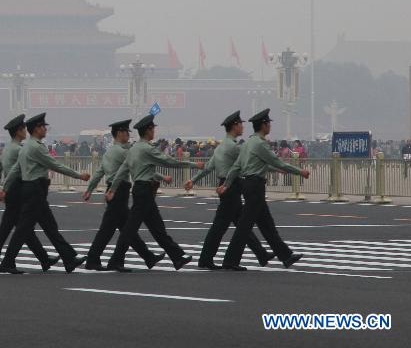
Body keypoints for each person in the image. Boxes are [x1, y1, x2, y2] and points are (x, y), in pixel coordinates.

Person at [106, 114, 204, 271]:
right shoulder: (147, 149)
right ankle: (115, 260)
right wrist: (193, 164)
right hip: (144, 191)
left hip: (140, 189)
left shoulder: (134, 149)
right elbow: (169, 161)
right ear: (149, 131)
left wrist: (112, 189)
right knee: (131, 229)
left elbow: (123, 170)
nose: (154, 132)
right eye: (153, 129)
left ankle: (177, 257)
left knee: (156, 228)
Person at [0, 113, 91, 274]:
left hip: (33, 189)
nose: (45, 129)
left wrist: (5, 188)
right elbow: (55, 165)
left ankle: (68, 258)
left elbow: (15, 170)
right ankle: (7, 261)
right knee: (24, 229)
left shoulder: (26, 147)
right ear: (36, 129)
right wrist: (79, 175)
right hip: (35, 190)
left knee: (49, 226)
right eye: (43, 126)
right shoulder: (36, 147)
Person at [218, 109, 310, 271]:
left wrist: (226, 184)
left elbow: (236, 167)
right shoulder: (260, 144)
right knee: (244, 226)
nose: (270, 126)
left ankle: (285, 256)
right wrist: (300, 171)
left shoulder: (247, 143)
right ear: (264, 125)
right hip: (255, 187)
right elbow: (278, 162)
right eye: (268, 124)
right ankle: (230, 260)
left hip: (250, 186)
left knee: (267, 225)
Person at [184, 111, 272, 270]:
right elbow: (252, 161)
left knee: (241, 225)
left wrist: (193, 180)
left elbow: (209, 167)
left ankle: (261, 253)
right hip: (231, 187)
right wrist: (278, 168)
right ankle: (207, 259)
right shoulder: (234, 147)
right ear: (234, 126)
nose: (243, 127)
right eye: (240, 124)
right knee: (221, 227)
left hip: (226, 185)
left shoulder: (221, 146)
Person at [0, 114, 58, 273]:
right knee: (16, 229)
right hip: (19, 191)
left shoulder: (7, 149)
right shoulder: (20, 150)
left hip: (12, 192)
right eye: (24, 129)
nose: (26, 132)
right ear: (18, 132)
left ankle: (43, 258)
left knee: (22, 229)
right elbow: (17, 170)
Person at [83, 119, 164, 272]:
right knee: (108, 230)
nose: (128, 134)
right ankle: (93, 259)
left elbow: (100, 172)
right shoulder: (122, 152)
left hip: (114, 190)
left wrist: (90, 189)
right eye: (126, 132)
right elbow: (139, 165)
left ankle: (148, 257)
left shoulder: (109, 152)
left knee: (128, 230)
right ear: (119, 133)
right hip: (118, 192)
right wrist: (162, 177)